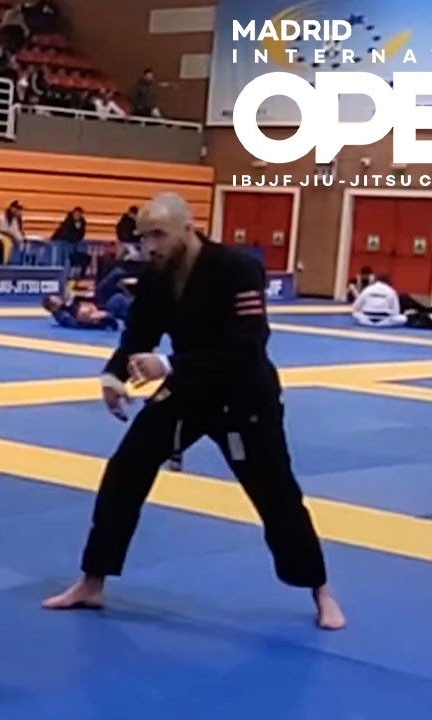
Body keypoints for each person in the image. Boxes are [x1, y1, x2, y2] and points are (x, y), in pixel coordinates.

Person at [42, 192, 345, 631]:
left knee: (275, 492)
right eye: (144, 238)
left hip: (244, 395)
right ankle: (93, 581)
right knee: (126, 470)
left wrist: (167, 365)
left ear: (188, 228)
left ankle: (320, 590)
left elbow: (247, 346)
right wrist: (113, 377)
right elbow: (138, 334)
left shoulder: (237, 269)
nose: (150, 247)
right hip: (188, 392)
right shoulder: (156, 276)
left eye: (158, 235)